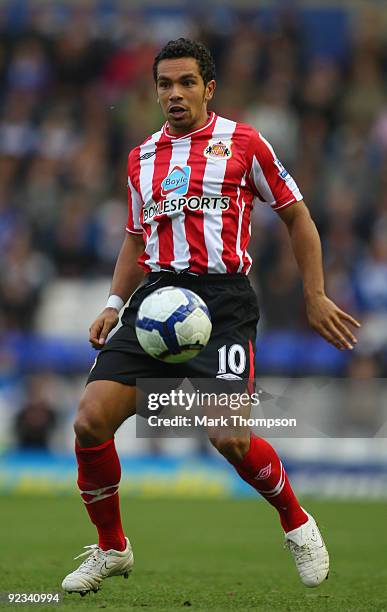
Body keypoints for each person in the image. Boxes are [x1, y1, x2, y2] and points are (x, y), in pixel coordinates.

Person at [61, 38, 360, 595]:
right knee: (88, 421)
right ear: (155, 91)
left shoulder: (243, 143)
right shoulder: (142, 157)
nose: (174, 94)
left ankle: (296, 521)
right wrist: (112, 303)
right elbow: (134, 238)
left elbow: (297, 217)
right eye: (165, 85)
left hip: (223, 305)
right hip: (155, 303)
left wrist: (315, 294)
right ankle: (112, 549)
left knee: (230, 438)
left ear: (209, 88)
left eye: (186, 83)